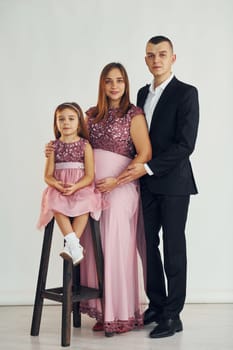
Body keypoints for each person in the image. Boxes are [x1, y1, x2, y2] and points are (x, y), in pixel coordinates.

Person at [118, 36, 199, 338]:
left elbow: (185, 145)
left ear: (173, 58)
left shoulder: (187, 93)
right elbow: (137, 138)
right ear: (145, 60)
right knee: (147, 246)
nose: (156, 60)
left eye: (162, 54)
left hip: (174, 183)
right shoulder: (141, 93)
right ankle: (156, 304)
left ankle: (173, 315)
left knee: (174, 247)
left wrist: (149, 167)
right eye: (151, 55)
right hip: (145, 184)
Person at [79, 62, 152, 337]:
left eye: (119, 80)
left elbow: (144, 154)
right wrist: (56, 147)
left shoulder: (134, 114)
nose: (114, 85)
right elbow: (80, 147)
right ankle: (102, 307)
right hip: (94, 188)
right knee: (93, 243)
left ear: (126, 83)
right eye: (108, 80)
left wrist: (116, 181)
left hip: (122, 187)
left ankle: (120, 314)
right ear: (102, 84)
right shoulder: (91, 115)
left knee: (114, 243)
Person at [37, 102, 102, 265]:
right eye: (61, 119)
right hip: (60, 188)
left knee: (86, 203)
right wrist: (57, 185)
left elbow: (89, 175)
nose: (66, 123)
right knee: (53, 201)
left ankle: (71, 245)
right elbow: (48, 176)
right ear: (56, 123)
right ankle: (74, 244)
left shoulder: (85, 145)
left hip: (80, 187)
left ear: (79, 123)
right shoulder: (54, 146)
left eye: (71, 119)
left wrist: (76, 186)